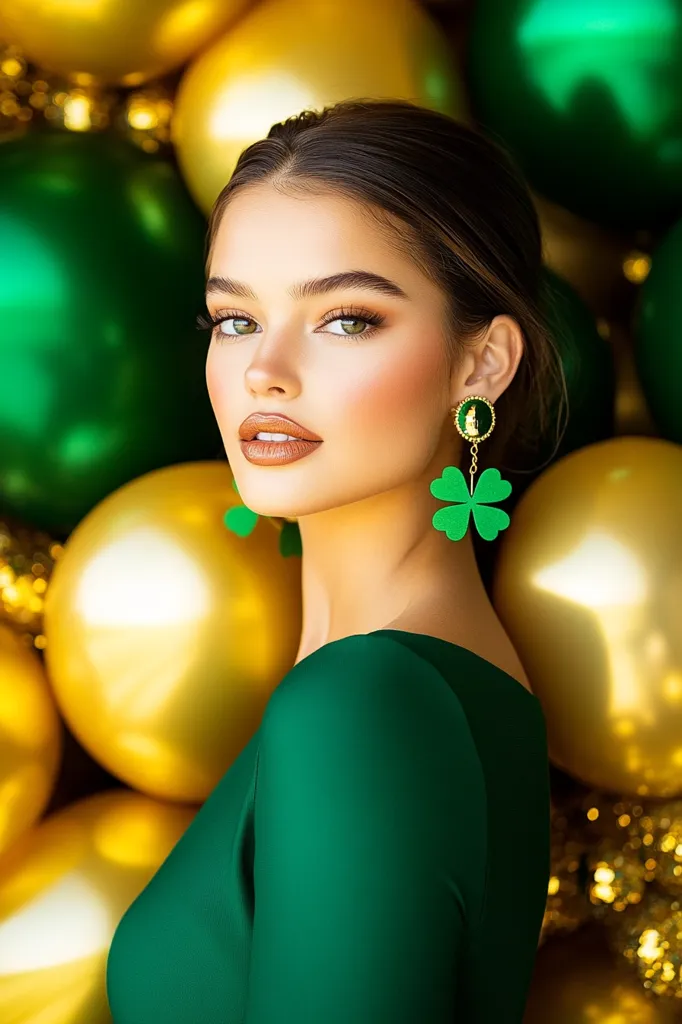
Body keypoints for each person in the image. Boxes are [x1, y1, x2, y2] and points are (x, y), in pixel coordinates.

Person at [106, 98, 565, 1023]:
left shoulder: (365, 702)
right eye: (234, 320)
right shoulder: (394, 685)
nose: (265, 370)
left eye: (346, 319)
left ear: (483, 362)